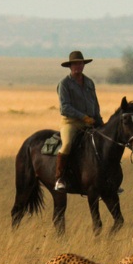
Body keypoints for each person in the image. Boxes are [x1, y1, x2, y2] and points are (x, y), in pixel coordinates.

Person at [55, 51, 103, 191]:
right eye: (75, 64)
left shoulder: (89, 82)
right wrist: (83, 117)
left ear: (84, 65)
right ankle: (59, 178)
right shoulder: (64, 84)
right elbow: (65, 108)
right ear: (70, 66)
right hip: (71, 123)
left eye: (80, 63)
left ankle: (107, 179)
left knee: (105, 144)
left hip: (90, 122)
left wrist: (99, 122)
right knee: (67, 144)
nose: (78, 66)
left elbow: (95, 104)